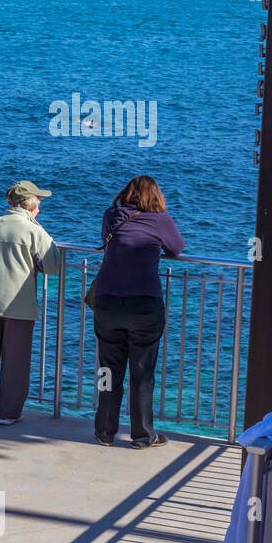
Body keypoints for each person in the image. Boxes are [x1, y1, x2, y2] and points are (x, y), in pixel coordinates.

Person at [91, 176, 184, 448]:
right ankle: (143, 436)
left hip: (108, 302)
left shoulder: (112, 215)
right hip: (143, 304)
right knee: (142, 373)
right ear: (156, 197)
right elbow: (177, 248)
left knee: (108, 371)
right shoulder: (160, 220)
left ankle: (104, 432)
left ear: (127, 194)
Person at [0, 180, 62, 425]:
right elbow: (52, 266)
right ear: (29, 205)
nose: (39, 207)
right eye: (38, 202)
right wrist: (48, 239)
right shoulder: (34, 231)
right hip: (20, 306)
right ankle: (8, 413)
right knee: (15, 361)